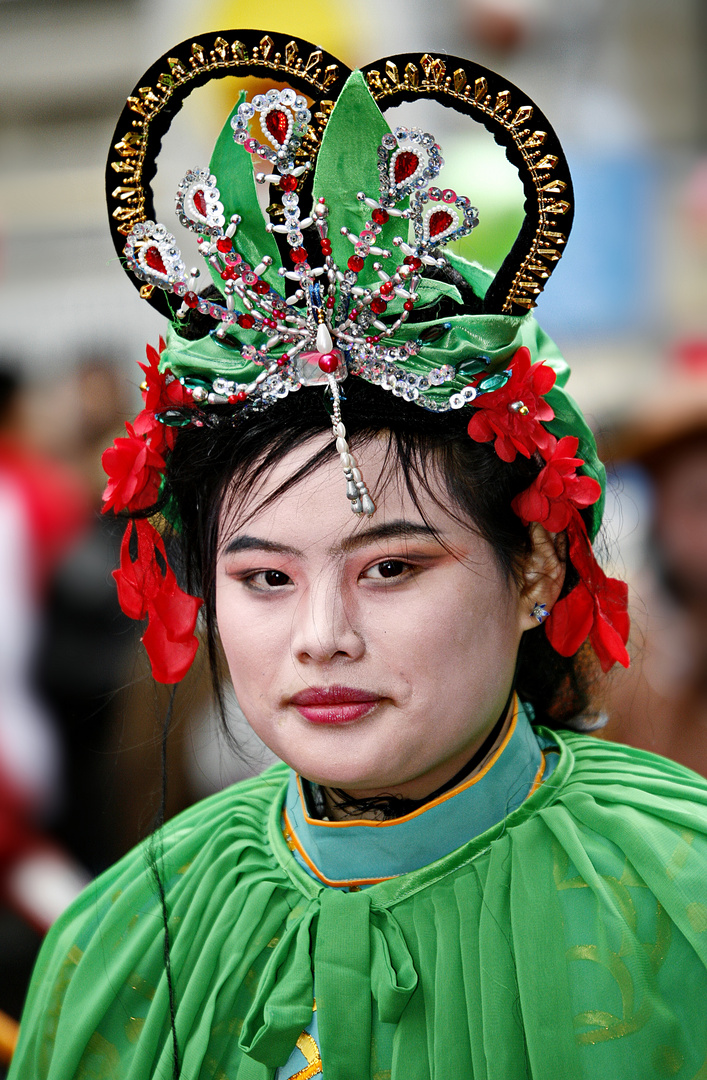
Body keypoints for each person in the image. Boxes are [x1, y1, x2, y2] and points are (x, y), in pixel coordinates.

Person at [9, 30, 707, 1080]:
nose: (320, 639)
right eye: (263, 579)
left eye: (390, 567)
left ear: (534, 573)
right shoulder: (118, 945)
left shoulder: (680, 898)